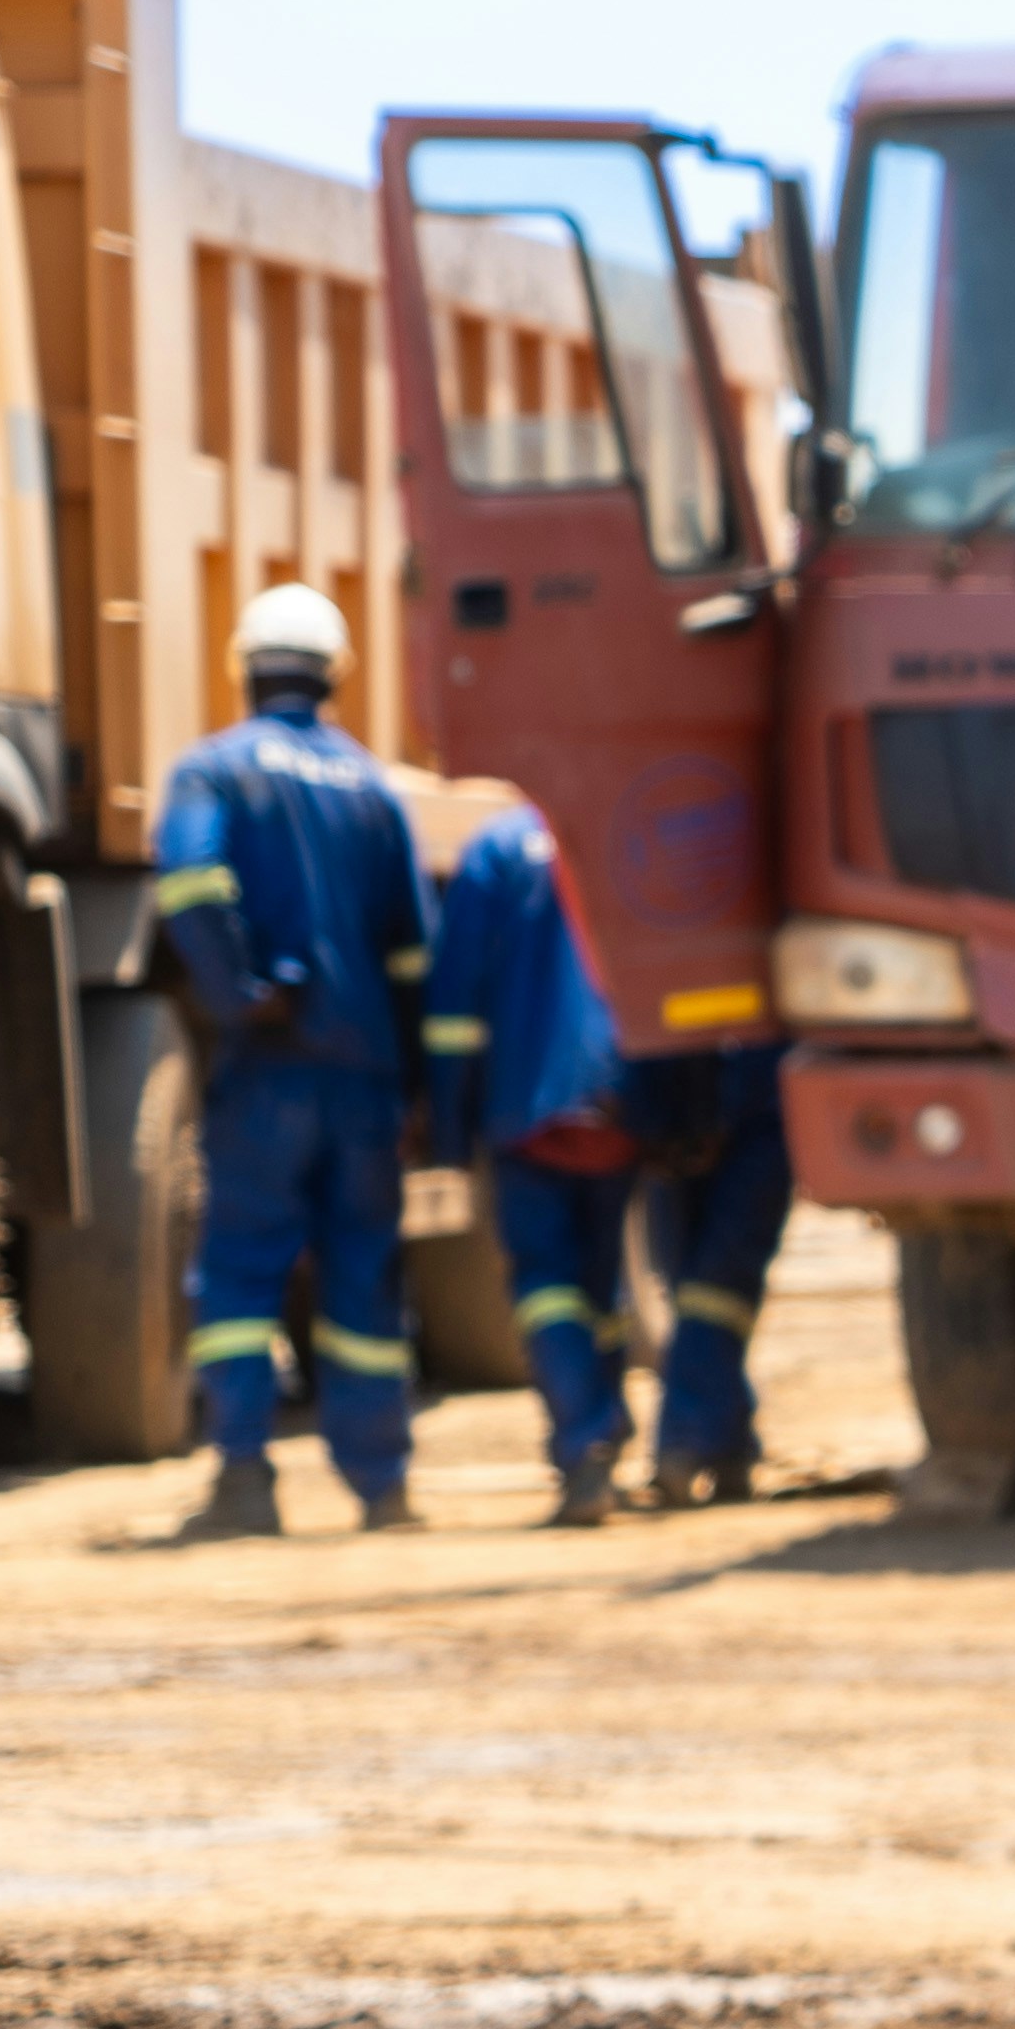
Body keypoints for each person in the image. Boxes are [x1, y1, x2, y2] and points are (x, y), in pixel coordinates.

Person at [152, 582, 430, 1539]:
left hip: (266, 1074)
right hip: (364, 1079)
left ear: (242, 667)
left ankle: (241, 1480)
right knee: (364, 1281)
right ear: (336, 675)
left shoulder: (211, 773)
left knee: (238, 1276)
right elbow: (411, 956)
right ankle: (382, 1489)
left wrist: (240, 991)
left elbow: (190, 881)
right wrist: (423, 1091)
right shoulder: (372, 787)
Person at [417, 796, 642, 1528]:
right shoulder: (623, 832)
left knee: (546, 1284)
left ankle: (584, 1449)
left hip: (528, 1111)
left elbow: (453, 1009)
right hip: (621, 1103)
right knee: (602, 1286)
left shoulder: (497, 850)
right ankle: (608, 1426)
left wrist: (448, 1132)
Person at [619, 1036, 794, 1504]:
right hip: (685, 1116)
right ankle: (726, 1447)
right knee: (698, 1290)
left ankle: (686, 1442)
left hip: (748, 1116)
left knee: (713, 1290)